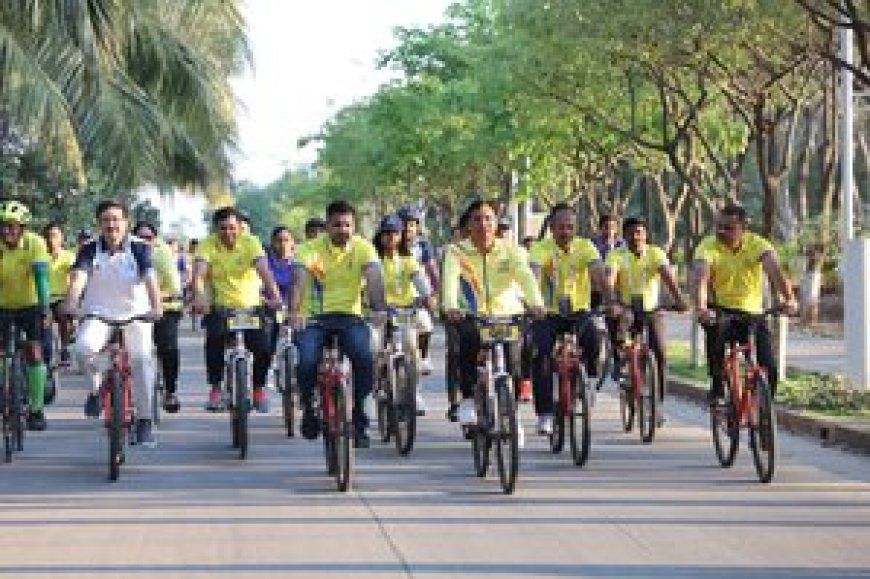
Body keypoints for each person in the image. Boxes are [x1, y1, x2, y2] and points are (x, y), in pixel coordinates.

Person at [442, 199, 544, 440]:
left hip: (507, 315)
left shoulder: (512, 250)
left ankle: (512, 414)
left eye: (488, 218)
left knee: (516, 364)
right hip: (473, 315)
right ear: (468, 225)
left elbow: (526, 277)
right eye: (477, 219)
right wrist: (451, 307)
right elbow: (449, 281)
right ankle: (467, 399)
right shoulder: (456, 252)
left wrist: (536, 303)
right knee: (466, 343)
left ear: (496, 223)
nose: (483, 224)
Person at [64, 200, 163, 446]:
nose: (111, 225)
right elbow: (79, 278)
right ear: (99, 224)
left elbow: (150, 278)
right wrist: (72, 303)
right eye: (106, 220)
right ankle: (96, 389)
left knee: (141, 359)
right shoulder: (89, 249)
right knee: (82, 349)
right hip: (98, 314)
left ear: (125, 223)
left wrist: (156, 306)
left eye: (116, 219)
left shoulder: (140, 248)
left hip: (136, 315)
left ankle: (144, 421)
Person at [290, 200, 387, 448]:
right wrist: (295, 311)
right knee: (307, 360)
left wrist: (379, 309)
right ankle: (310, 409)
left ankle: (360, 421)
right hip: (314, 320)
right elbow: (299, 281)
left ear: (354, 226)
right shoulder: (309, 250)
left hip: (350, 318)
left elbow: (374, 278)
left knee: (364, 358)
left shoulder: (364, 248)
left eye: (347, 225)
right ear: (328, 226)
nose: (342, 229)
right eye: (337, 225)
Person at [693, 204, 798, 403]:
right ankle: (717, 385)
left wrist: (789, 298)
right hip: (720, 311)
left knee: (769, 367)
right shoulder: (708, 246)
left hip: (753, 314)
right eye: (719, 227)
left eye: (728, 228)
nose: (721, 232)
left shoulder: (758, 244)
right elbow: (701, 278)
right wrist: (701, 308)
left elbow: (775, 271)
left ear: (744, 228)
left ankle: (764, 412)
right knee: (715, 336)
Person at [191, 206, 282, 413]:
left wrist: (275, 296)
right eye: (223, 228)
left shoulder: (251, 242)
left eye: (232, 228)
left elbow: (264, 271)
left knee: (264, 348)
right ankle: (215, 388)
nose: (228, 233)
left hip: (251, 308)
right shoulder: (207, 245)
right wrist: (200, 297)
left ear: (240, 228)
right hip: (221, 308)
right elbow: (199, 276)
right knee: (214, 341)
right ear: (216, 229)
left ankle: (258, 388)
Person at [527, 203, 604, 435]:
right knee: (541, 354)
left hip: (578, 312)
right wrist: (533, 303)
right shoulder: (541, 248)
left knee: (593, 336)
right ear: (551, 227)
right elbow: (534, 272)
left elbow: (598, 271)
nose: (566, 232)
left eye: (570, 227)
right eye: (561, 227)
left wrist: (609, 297)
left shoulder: (586, 247)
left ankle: (589, 381)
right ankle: (545, 414)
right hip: (547, 314)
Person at [604, 216, 688, 421]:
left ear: (646, 235)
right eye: (631, 233)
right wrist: (611, 300)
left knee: (660, 352)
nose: (635, 237)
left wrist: (679, 301)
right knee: (619, 326)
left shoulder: (655, 254)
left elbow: (668, 277)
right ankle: (621, 362)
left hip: (652, 310)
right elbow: (610, 278)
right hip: (626, 308)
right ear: (624, 236)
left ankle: (658, 405)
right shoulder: (616, 255)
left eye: (639, 232)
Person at [373, 214, 434, 416]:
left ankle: (413, 393)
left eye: (395, 233)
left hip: (404, 313)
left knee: (412, 351)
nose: (391, 237)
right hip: (379, 313)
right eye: (387, 233)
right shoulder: (372, 261)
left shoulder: (408, 261)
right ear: (380, 236)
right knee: (373, 349)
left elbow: (421, 283)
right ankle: (374, 389)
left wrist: (427, 297)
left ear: (401, 236)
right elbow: (363, 285)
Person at [0, 201, 51, 431]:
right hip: (3, 305)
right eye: (3, 226)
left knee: (33, 352)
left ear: (23, 228)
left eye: (12, 226)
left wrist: (45, 308)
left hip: (30, 304)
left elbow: (41, 279)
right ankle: (4, 395)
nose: (7, 231)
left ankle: (36, 409)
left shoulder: (35, 243)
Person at [133, 222, 183, 413]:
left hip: (166, 306)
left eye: (149, 238)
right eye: (140, 238)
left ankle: (170, 391)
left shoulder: (162, 254)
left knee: (168, 348)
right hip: (133, 309)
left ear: (155, 239)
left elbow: (173, 284)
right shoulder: (124, 252)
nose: (145, 242)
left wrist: (164, 297)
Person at [398, 206, 439, 375]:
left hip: (417, 295)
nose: (408, 227)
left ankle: (423, 356)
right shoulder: (388, 242)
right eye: (405, 223)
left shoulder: (423, 246)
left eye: (413, 224)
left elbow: (432, 269)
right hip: (391, 296)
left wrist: (436, 292)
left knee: (426, 325)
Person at [42, 222, 75, 367]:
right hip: (43, 298)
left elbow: (75, 275)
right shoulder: (40, 256)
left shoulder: (68, 256)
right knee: (45, 322)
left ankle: (65, 348)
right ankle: (46, 353)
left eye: (55, 236)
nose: (51, 240)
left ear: (62, 238)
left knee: (63, 316)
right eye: (48, 236)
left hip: (62, 297)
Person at [267, 225, 295, 356]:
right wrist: (266, 301)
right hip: (270, 308)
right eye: (279, 240)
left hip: (295, 307)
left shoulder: (301, 261)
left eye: (286, 240)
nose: (283, 244)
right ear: (272, 243)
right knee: (268, 339)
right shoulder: (264, 262)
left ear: (292, 242)